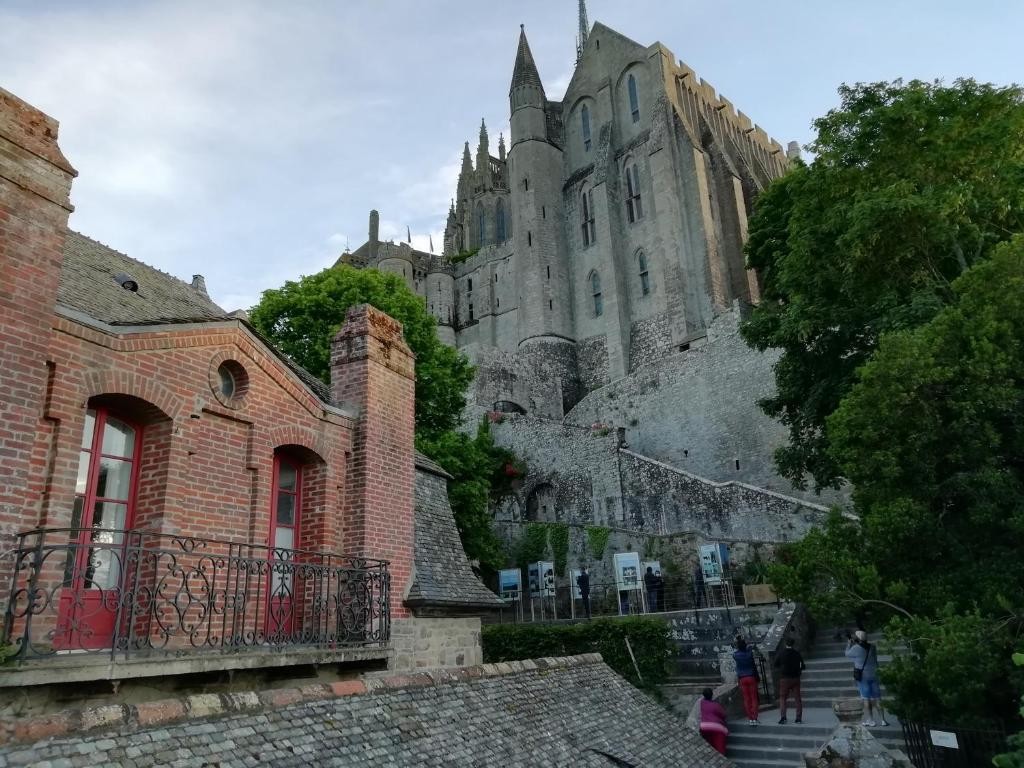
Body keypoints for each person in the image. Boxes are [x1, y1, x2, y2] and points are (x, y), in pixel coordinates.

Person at [845, 629, 890, 727]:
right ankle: (883, 720)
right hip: (874, 674)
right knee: (877, 698)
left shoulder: (855, 648)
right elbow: (875, 660)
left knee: (866, 698)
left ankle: (871, 720)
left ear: (858, 639)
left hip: (863, 677)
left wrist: (849, 644)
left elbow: (847, 653)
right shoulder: (872, 647)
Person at [774, 636, 805, 724]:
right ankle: (798, 718)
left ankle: (783, 717)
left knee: (783, 698)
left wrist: (782, 667)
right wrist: (798, 669)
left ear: (785, 644)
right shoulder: (797, 653)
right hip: (795, 678)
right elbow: (802, 665)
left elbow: (775, 664)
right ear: (793, 644)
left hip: (785, 678)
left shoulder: (781, 653)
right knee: (797, 698)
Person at [733, 637, 760, 725]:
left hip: (742, 678)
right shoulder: (749, 654)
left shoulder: (736, 655)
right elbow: (750, 649)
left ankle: (750, 718)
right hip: (751, 676)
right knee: (754, 698)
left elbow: (736, 650)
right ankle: (755, 718)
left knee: (746, 699)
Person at [698, 687, 729, 755]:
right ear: (712, 695)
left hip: (704, 727)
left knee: (709, 746)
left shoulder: (701, 703)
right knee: (719, 747)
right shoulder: (716, 705)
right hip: (716, 728)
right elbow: (723, 715)